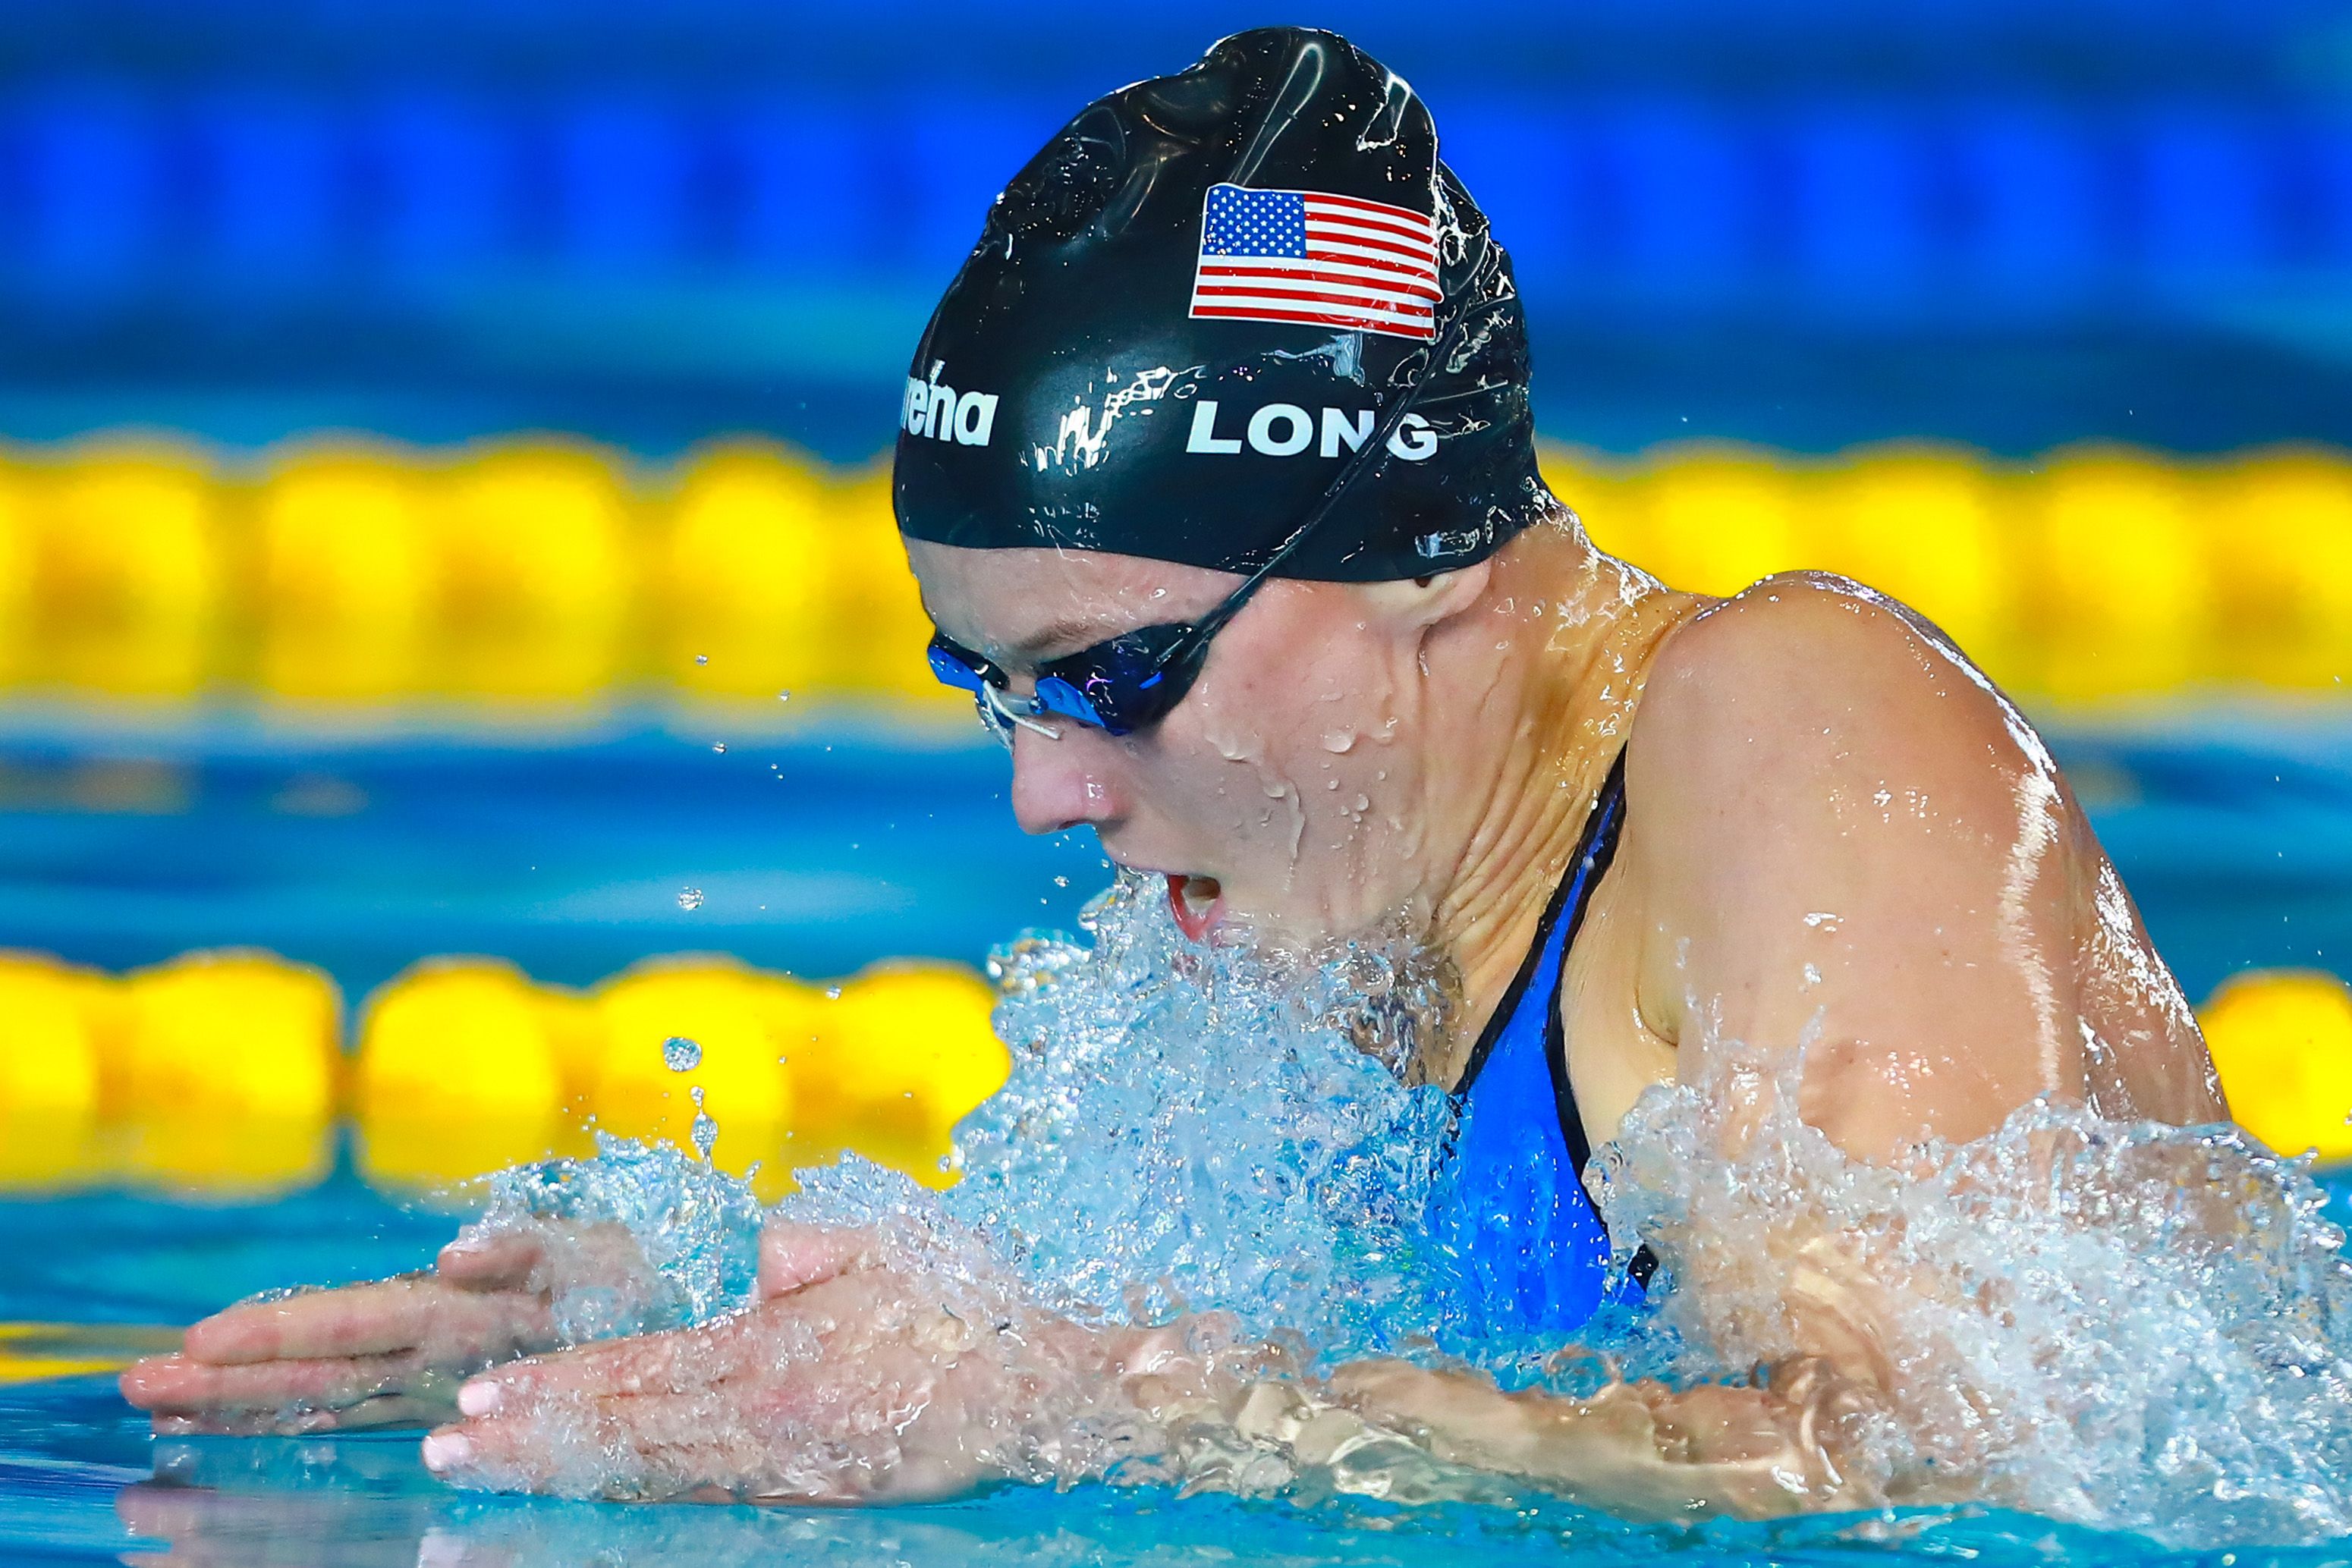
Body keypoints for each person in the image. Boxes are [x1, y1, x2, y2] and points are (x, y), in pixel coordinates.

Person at [121, 27, 2222, 1518]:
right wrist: (647, 1350)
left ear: (1409, 560)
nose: (1046, 792)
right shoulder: (1359, 909)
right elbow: (1261, 1357)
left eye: (1113, 673)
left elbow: (1926, 1456)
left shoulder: (1787, 716)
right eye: (996, 688)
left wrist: (1124, 1411)